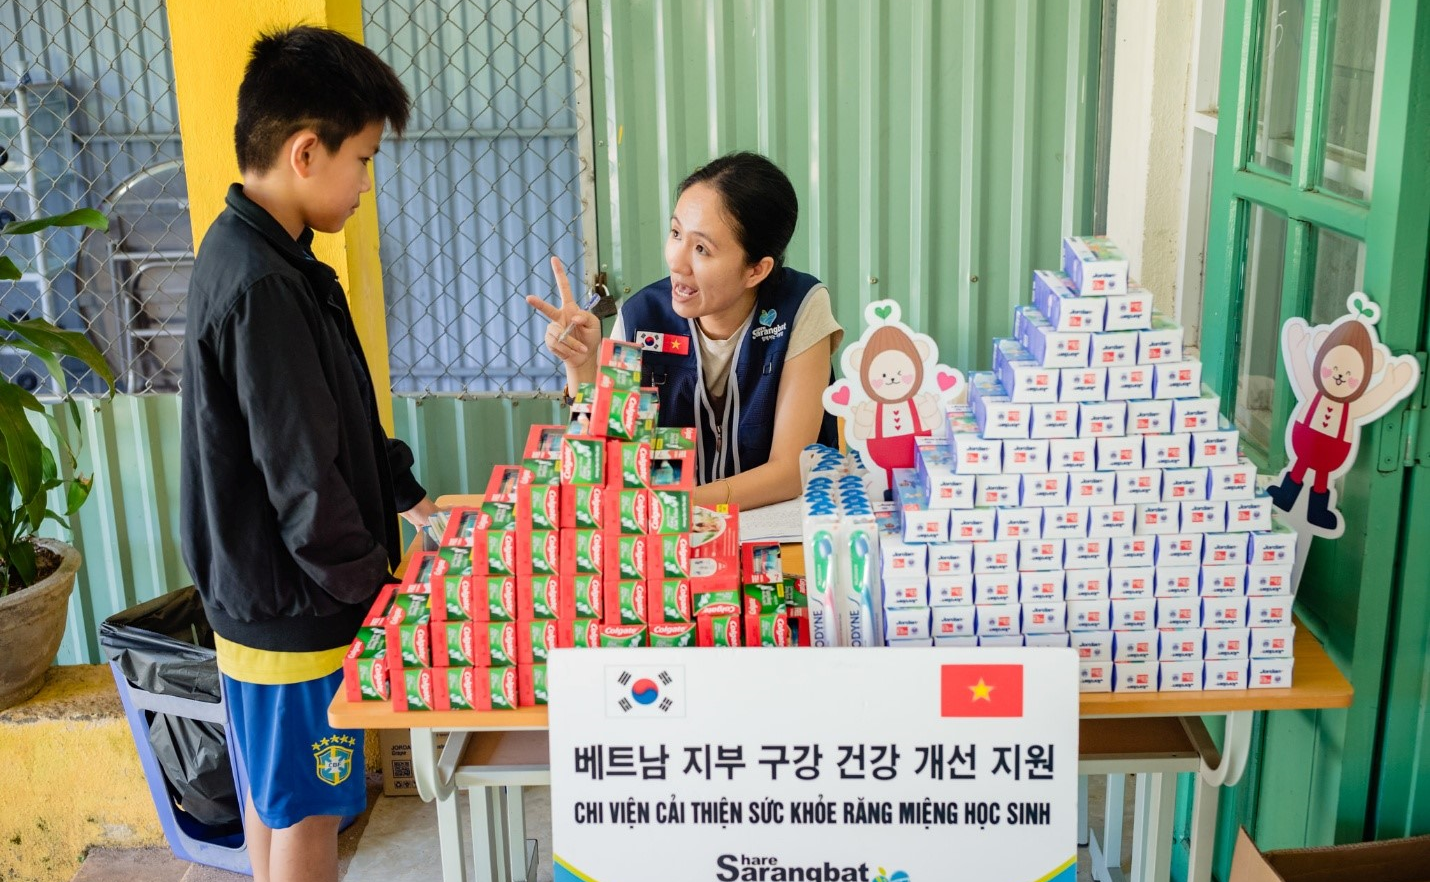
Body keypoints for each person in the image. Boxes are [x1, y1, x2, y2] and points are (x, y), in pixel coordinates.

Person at [179, 27, 438, 882]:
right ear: (304, 151)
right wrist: (385, 595)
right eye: (361, 159)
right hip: (296, 613)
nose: (366, 183)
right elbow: (304, 482)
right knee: (314, 811)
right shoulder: (265, 286)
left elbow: (340, 419)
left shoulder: (264, 255)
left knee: (275, 798)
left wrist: (404, 492)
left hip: (262, 603)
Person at [528, 152, 842, 509]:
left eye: (701, 249)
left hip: (776, 531)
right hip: (674, 534)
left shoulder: (801, 306)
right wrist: (580, 366)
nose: (676, 262)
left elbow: (790, 470)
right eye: (676, 233)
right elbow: (597, 461)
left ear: (756, 270)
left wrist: (683, 503)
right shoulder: (639, 318)